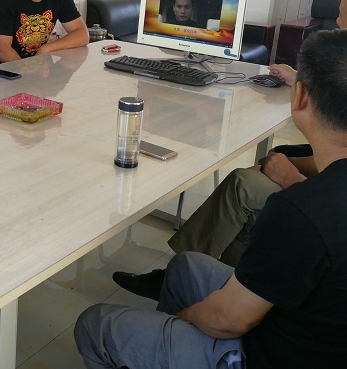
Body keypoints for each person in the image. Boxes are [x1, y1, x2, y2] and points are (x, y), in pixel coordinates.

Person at [75, 28, 347, 368]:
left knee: (95, 323)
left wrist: (188, 317)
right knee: (183, 267)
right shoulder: (316, 201)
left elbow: (229, 320)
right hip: (311, 326)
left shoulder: (301, 210)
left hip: (270, 355)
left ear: (300, 95)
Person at [113, 0, 347, 291]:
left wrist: (290, 178)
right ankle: (217, 279)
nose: (337, 24)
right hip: (320, 184)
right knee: (263, 167)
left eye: (343, 19)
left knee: (243, 184)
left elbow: (335, 204)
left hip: (322, 207)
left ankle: (184, 281)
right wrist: (289, 161)